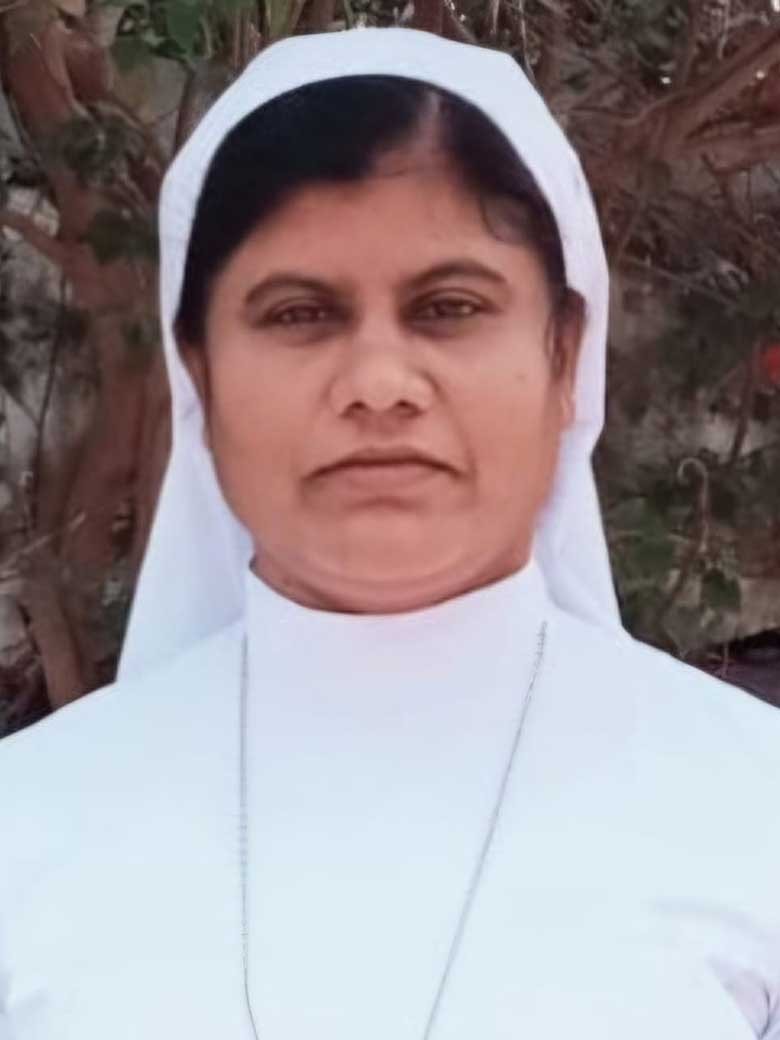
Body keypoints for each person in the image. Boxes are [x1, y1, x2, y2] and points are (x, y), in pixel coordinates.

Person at [1, 26, 779, 1040]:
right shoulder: (28, 822)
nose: (377, 384)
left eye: (449, 307)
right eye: (299, 313)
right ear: (198, 371)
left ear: (565, 355)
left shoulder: (752, 804)